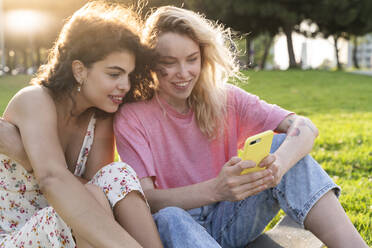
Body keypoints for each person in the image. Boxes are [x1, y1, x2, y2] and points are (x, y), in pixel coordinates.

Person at [113, 6, 368, 248]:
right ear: (150, 65)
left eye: (192, 59)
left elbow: (305, 127)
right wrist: (215, 189)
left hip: (231, 219)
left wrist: (279, 164)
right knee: (169, 216)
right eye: (169, 63)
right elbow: (146, 199)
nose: (184, 72)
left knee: (283, 147)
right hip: (179, 228)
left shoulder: (227, 98)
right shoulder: (132, 117)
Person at [0, 1, 163, 248]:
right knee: (90, 195)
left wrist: (25, 156)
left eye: (129, 75)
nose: (126, 86)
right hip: (15, 235)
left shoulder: (100, 118)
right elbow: (52, 179)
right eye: (114, 74)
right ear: (79, 71)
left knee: (114, 175)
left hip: (68, 227)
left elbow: (101, 191)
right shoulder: (34, 100)